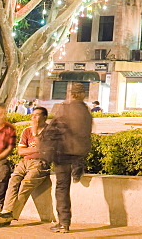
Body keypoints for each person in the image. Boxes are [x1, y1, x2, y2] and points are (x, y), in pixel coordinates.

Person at [0, 107, 51, 227]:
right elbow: (20, 151)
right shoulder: (26, 130)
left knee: (25, 184)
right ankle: (6, 212)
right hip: (24, 162)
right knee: (13, 181)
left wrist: (35, 134)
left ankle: (9, 215)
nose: (33, 117)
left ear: (44, 117)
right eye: (33, 115)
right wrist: (35, 149)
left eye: (37, 115)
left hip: (40, 163)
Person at [49, 83, 93, 233]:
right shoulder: (86, 111)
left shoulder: (64, 108)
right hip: (79, 152)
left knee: (62, 188)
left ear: (71, 94)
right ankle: (78, 167)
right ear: (83, 95)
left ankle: (64, 222)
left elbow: (54, 127)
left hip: (63, 153)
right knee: (64, 186)